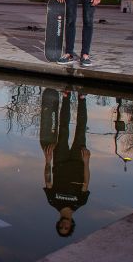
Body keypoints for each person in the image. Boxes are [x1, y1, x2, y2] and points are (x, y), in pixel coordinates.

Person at [41, 89, 91, 238]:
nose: (64, 225)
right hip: (78, 161)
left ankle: (66, 96)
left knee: (63, 129)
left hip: (60, 161)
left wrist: (48, 161)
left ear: (58, 224)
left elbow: (48, 180)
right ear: (71, 225)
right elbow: (86, 183)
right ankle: (82, 98)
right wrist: (87, 163)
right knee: (81, 130)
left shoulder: (53, 201)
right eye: (66, 228)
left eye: (61, 227)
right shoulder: (80, 203)